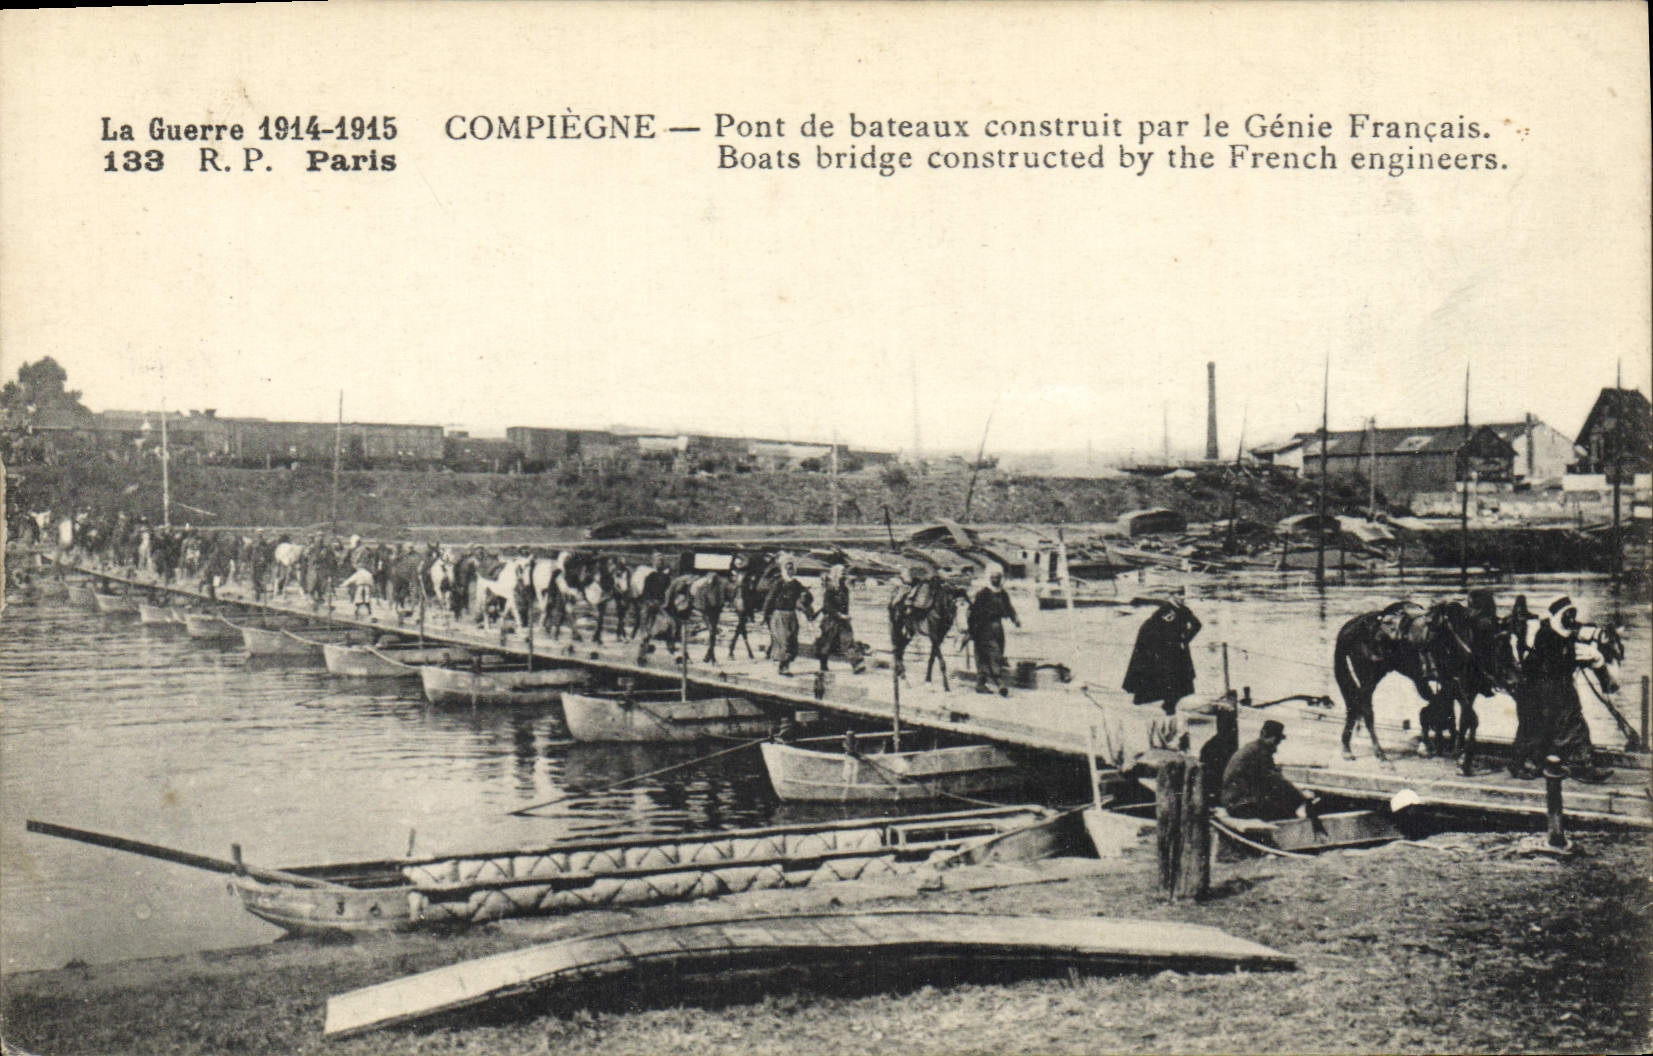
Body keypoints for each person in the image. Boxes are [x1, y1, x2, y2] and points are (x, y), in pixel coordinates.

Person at [1509, 596, 1612, 782]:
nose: (1571, 619)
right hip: (1543, 688)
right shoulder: (1546, 635)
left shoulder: (1558, 633)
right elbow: (1550, 660)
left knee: (1568, 725)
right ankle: (1577, 767)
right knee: (1542, 729)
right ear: (1560, 616)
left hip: (1556, 687)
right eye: (1568, 615)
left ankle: (1578, 765)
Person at [1221, 719, 1319, 821]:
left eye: (1277, 741)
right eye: (1275, 740)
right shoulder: (1259, 752)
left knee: (1281, 804)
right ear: (1264, 735)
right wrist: (1302, 796)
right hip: (1241, 805)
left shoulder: (1254, 748)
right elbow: (1276, 780)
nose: (1276, 744)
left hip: (1234, 802)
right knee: (1287, 813)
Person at [1122, 590, 1202, 709]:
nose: (1182, 597)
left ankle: (1171, 702)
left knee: (1181, 678)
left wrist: (1185, 639)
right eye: (1179, 594)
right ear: (1171, 595)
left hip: (1178, 650)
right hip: (1165, 650)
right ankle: (1165, 702)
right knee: (1165, 676)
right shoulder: (1165, 610)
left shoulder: (1184, 610)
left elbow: (1197, 625)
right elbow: (1149, 629)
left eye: (1183, 594)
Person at [966, 568, 1020, 696]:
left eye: (998, 578)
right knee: (993, 653)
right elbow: (973, 611)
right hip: (984, 628)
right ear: (990, 579)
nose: (995, 580)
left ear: (1001, 579)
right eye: (993, 578)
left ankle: (981, 684)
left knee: (998, 652)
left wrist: (1015, 618)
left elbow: (1009, 607)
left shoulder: (1002, 593)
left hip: (998, 627)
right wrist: (973, 630)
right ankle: (999, 683)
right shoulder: (983, 593)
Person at [761, 556, 814, 676]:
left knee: (793, 641)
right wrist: (764, 615)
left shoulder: (796, 584)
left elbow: (809, 598)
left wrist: (805, 596)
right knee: (784, 641)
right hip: (779, 615)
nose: (790, 571)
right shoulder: (778, 583)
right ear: (783, 570)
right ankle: (783, 667)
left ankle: (786, 664)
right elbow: (769, 599)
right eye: (788, 568)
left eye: (792, 568)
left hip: (791, 615)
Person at [814, 564, 865, 674]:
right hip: (831, 620)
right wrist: (838, 614)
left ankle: (857, 664)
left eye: (844, 571)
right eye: (841, 571)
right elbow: (827, 605)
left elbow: (846, 605)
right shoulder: (830, 589)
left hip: (843, 621)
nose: (844, 573)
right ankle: (823, 665)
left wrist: (846, 616)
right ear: (835, 573)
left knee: (848, 641)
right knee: (826, 643)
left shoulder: (845, 589)